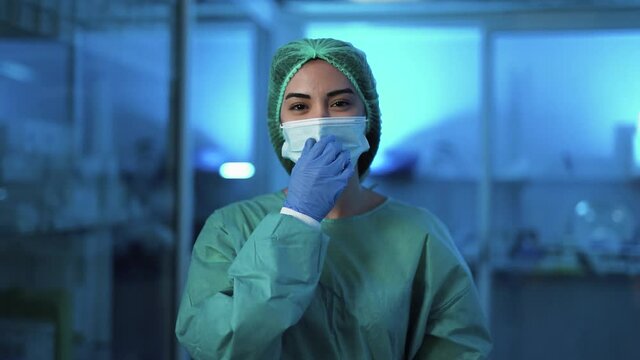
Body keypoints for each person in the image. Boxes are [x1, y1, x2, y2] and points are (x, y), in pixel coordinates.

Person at [175, 38, 492, 359]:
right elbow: (219, 347)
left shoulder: (419, 235)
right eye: (300, 107)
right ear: (279, 124)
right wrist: (299, 217)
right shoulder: (231, 229)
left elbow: (459, 349)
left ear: (367, 118)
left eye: (340, 103)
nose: (322, 121)